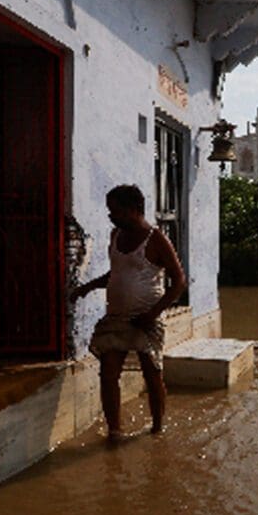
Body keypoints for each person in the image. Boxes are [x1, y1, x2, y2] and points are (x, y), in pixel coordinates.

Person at [70, 185, 186, 438]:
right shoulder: (115, 236)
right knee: (109, 374)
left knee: (151, 373)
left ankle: (157, 429)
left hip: (147, 318)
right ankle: (115, 431)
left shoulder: (156, 239)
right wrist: (88, 287)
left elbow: (178, 281)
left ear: (134, 210)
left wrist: (153, 314)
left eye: (116, 212)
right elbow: (118, 273)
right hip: (117, 318)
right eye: (110, 212)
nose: (111, 216)